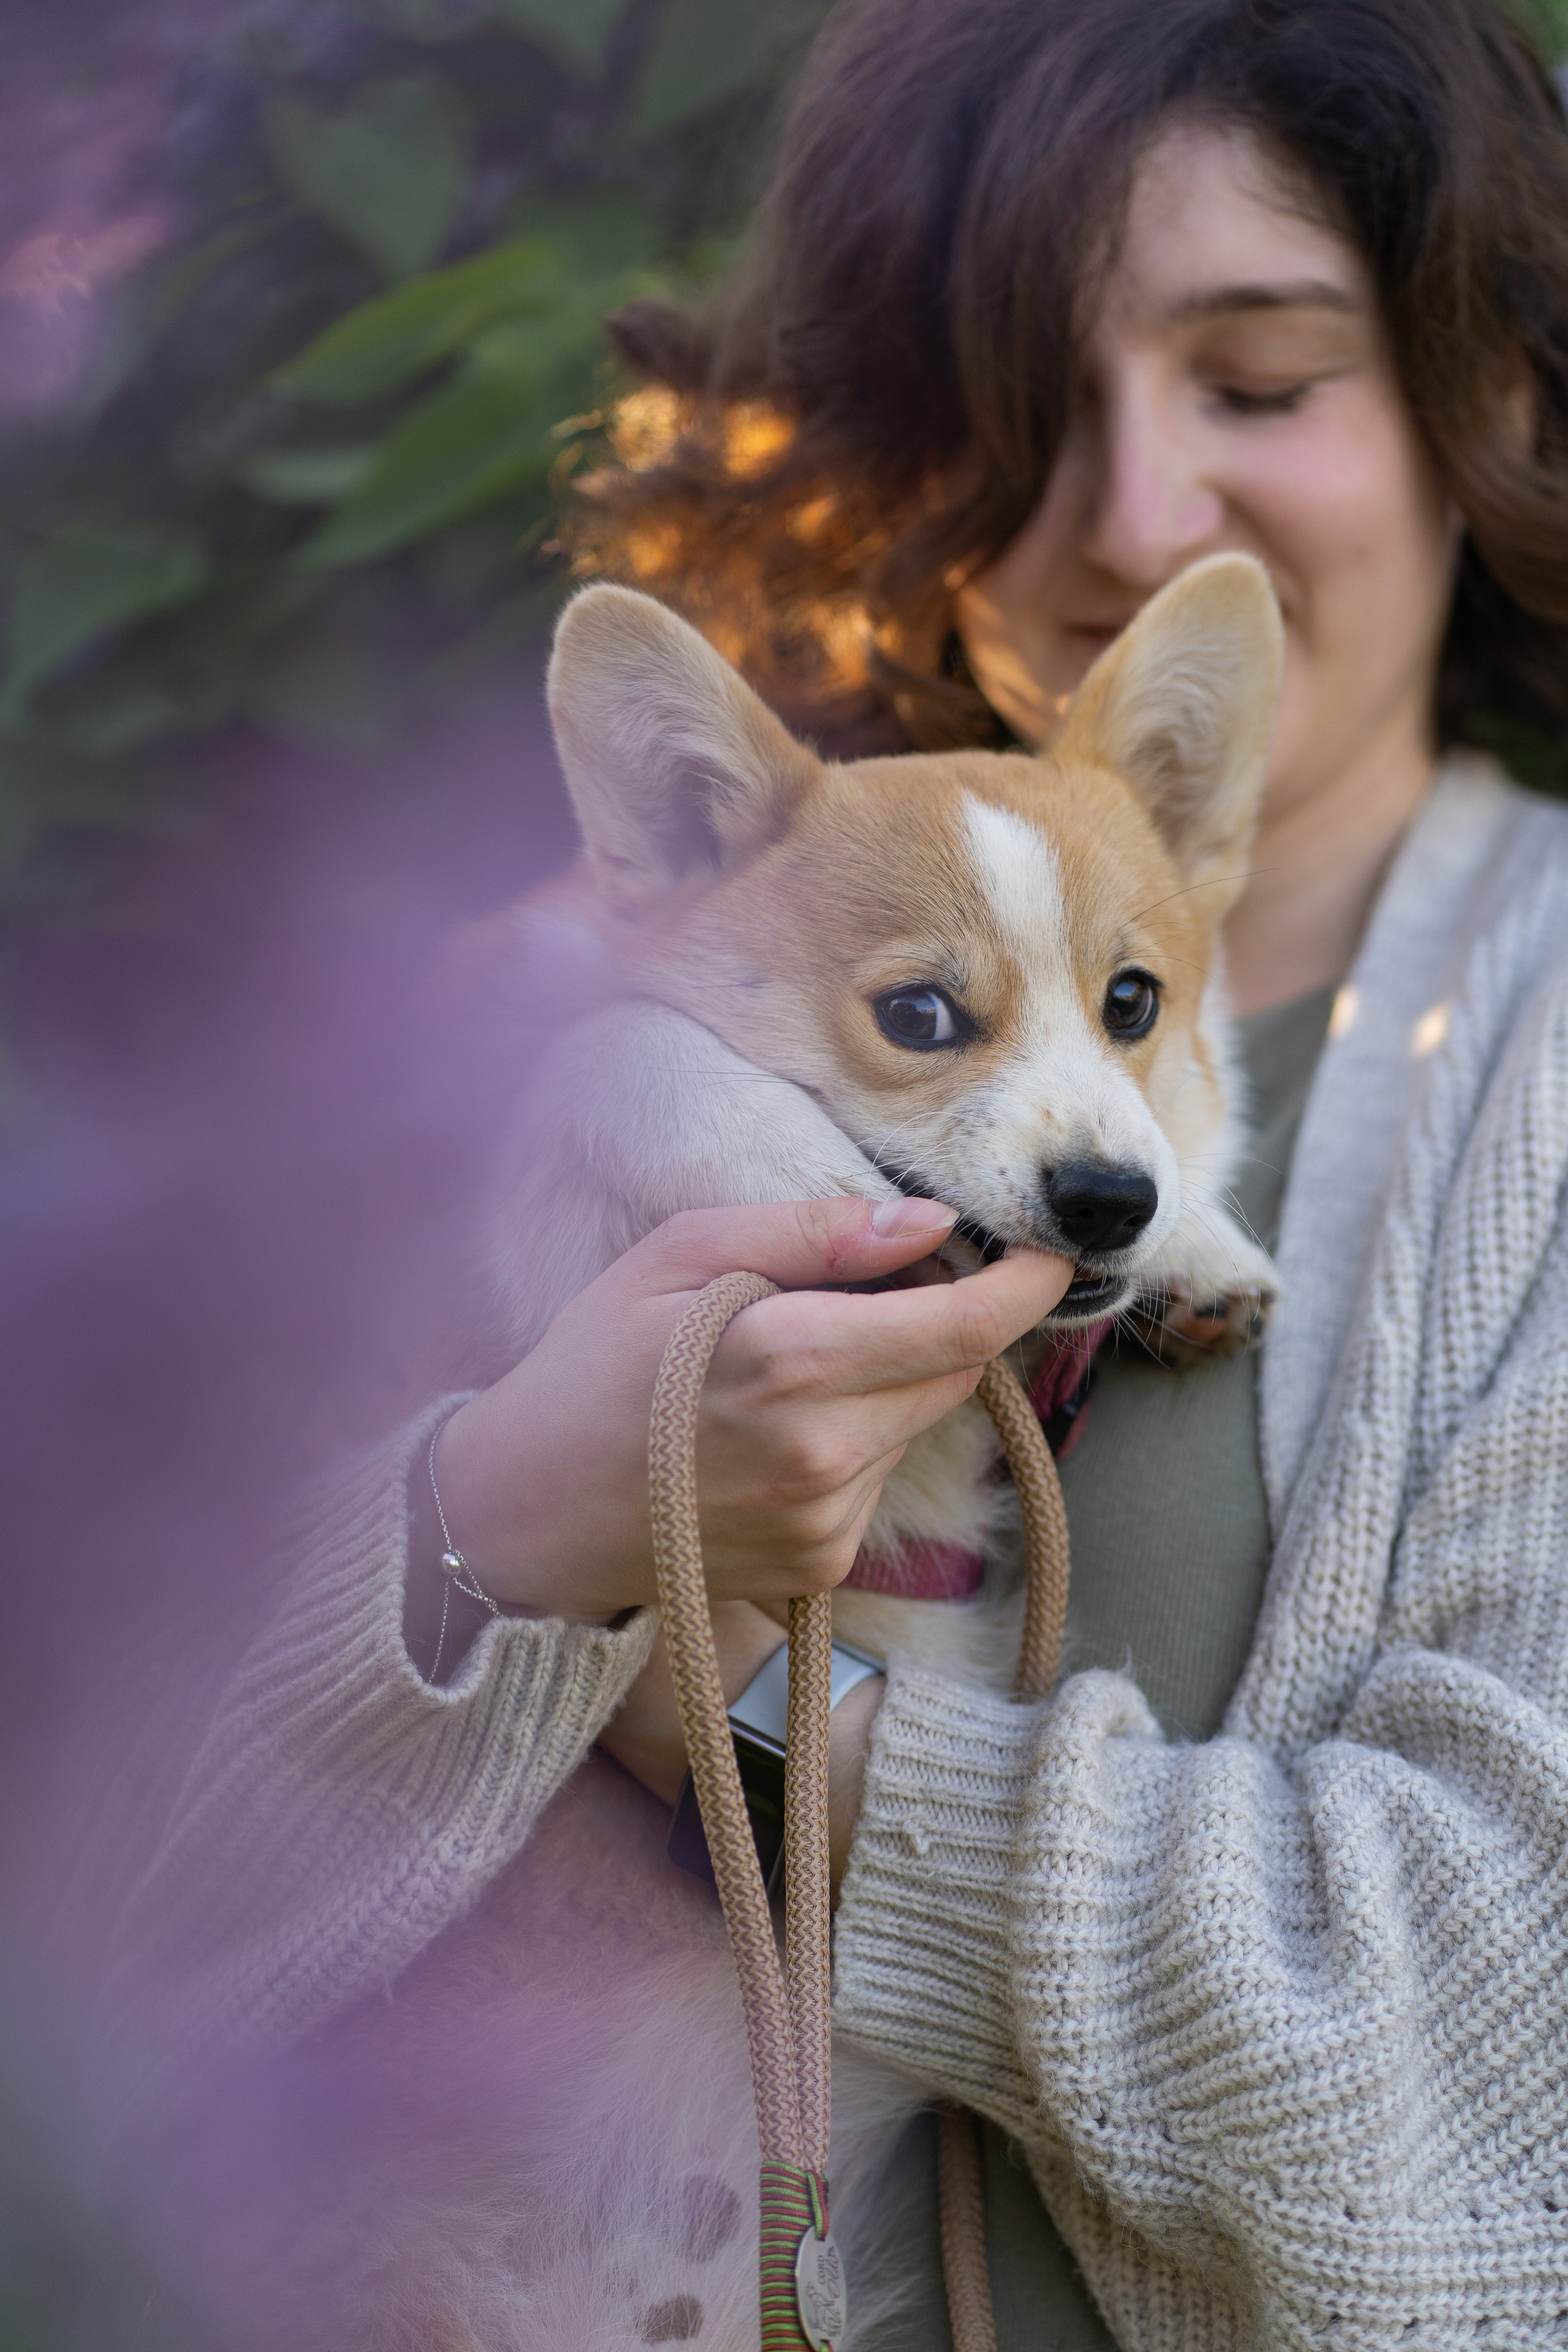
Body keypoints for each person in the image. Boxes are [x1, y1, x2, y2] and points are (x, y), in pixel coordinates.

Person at [100, 0, 1568, 2343]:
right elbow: (111, 1911)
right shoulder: (556, 1027)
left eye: (1262, 380)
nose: (1136, 514)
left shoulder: (1532, 1063)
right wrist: (489, 1521)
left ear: (1495, 388)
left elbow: (1496, 2094)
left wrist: (744, 1715)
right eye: (1014, 397)